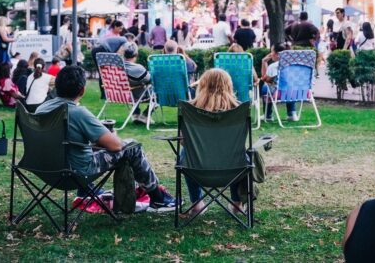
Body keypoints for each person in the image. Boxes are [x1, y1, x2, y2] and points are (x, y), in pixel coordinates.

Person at [35, 65, 176, 210]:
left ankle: (86, 190)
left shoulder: (42, 109)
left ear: (57, 87)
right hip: (76, 172)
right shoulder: (77, 113)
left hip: (45, 168)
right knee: (133, 147)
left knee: (81, 146)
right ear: (82, 90)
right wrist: (111, 134)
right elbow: (116, 146)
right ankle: (158, 198)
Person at [181, 68, 251, 216]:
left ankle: (197, 203)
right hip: (232, 169)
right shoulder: (239, 110)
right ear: (228, 86)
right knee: (239, 153)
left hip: (197, 169)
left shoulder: (190, 109)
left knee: (186, 153)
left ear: (202, 86)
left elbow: (183, 141)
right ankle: (237, 203)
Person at [260, 42, 298, 122]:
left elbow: (265, 79)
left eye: (272, 51)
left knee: (265, 88)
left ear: (277, 54)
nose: (270, 54)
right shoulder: (295, 65)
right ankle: (292, 113)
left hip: (279, 93)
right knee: (290, 86)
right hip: (298, 92)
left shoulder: (274, 66)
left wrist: (264, 62)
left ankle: (268, 115)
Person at [122, 43, 153, 124]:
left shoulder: (118, 67)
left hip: (122, 94)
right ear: (136, 54)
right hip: (138, 95)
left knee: (136, 86)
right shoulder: (137, 69)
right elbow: (150, 79)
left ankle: (135, 114)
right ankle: (145, 115)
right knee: (158, 91)